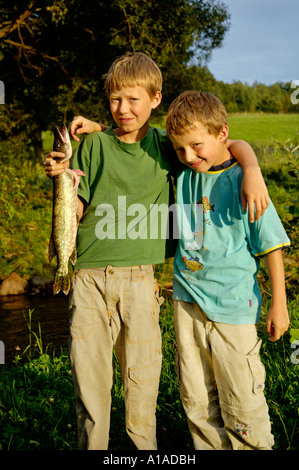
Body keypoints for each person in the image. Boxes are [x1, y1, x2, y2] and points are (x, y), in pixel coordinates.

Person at [44, 52, 269, 450]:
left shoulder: (169, 147)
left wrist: (251, 169)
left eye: (133, 100)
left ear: (155, 99)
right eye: (115, 100)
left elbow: (227, 143)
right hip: (88, 276)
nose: (123, 108)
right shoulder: (94, 146)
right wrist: (64, 181)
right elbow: (77, 207)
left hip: (140, 278)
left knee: (142, 386)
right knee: (90, 386)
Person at [165, 90, 290, 450]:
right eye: (180, 150)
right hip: (187, 303)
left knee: (242, 403)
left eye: (196, 146)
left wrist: (278, 304)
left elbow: (271, 246)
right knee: (197, 399)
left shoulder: (245, 183)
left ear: (221, 134)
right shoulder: (187, 170)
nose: (189, 157)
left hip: (233, 309)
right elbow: (140, 135)